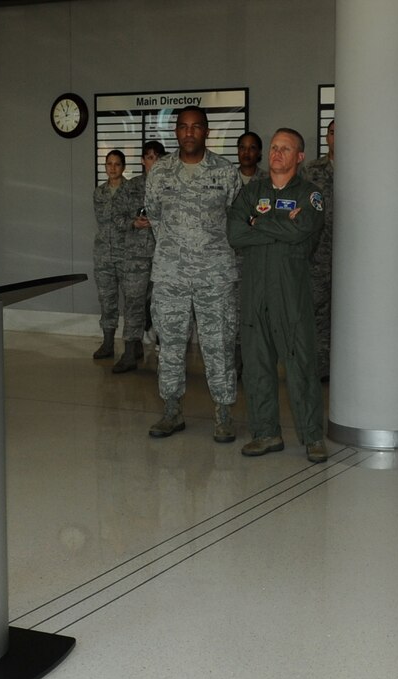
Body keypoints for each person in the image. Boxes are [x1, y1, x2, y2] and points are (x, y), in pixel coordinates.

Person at [228, 128, 327, 462]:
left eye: (286, 149)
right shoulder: (251, 191)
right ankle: (266, 433)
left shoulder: (310, 195)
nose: (276, 153)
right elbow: (234, 233)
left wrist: (258, 223)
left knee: (301, 365)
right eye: (273, 148)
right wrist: (278, 227)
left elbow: (302, 231)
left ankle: (313, 437)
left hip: (291, 293)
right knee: (256, 366)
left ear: (299, 157)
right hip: (255, 291)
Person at [145, 106, 241, 442]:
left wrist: (205, 253)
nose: (189, 133)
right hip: (171, 275)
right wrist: (178, 250)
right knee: (169, 345)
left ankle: (223, 414)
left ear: (206, 131)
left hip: (215, 276)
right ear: (176, 132)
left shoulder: (226, 173)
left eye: (196, 127)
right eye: (183, 127)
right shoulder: (159, 173)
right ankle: (172, 411)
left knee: (219, 345)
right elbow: (155, 218)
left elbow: (238, 220)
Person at [111, 140, 166, 372]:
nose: (153, 162)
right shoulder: (130, 187)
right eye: (149, 157)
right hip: (135, 257)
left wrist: (159, 221)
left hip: (164, 256)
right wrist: (134, 222)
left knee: (164, 305)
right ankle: (131, 352)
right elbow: (115, 216)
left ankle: (166, 353)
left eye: (157, 157)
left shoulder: (171, 187)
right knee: (133, 303)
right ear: (143, 161)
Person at [92, 149, 136, 363]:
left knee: (131, 302)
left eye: (117, 164)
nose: (112, 168)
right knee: (107, 300)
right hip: (103, 256)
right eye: (109, 164)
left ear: (123, 167)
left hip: (127, 254)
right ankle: (108, 343)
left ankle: (132, 346)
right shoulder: (98, 193)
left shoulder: (131, 191)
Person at [301, 119, 335, 381]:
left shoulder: (362, 166)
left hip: (354, 254)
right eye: (333, 132)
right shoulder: (312, 170)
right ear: (327, 136)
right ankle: (318, 366)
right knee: (315, 312)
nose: (337, 137)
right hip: (318, 253)